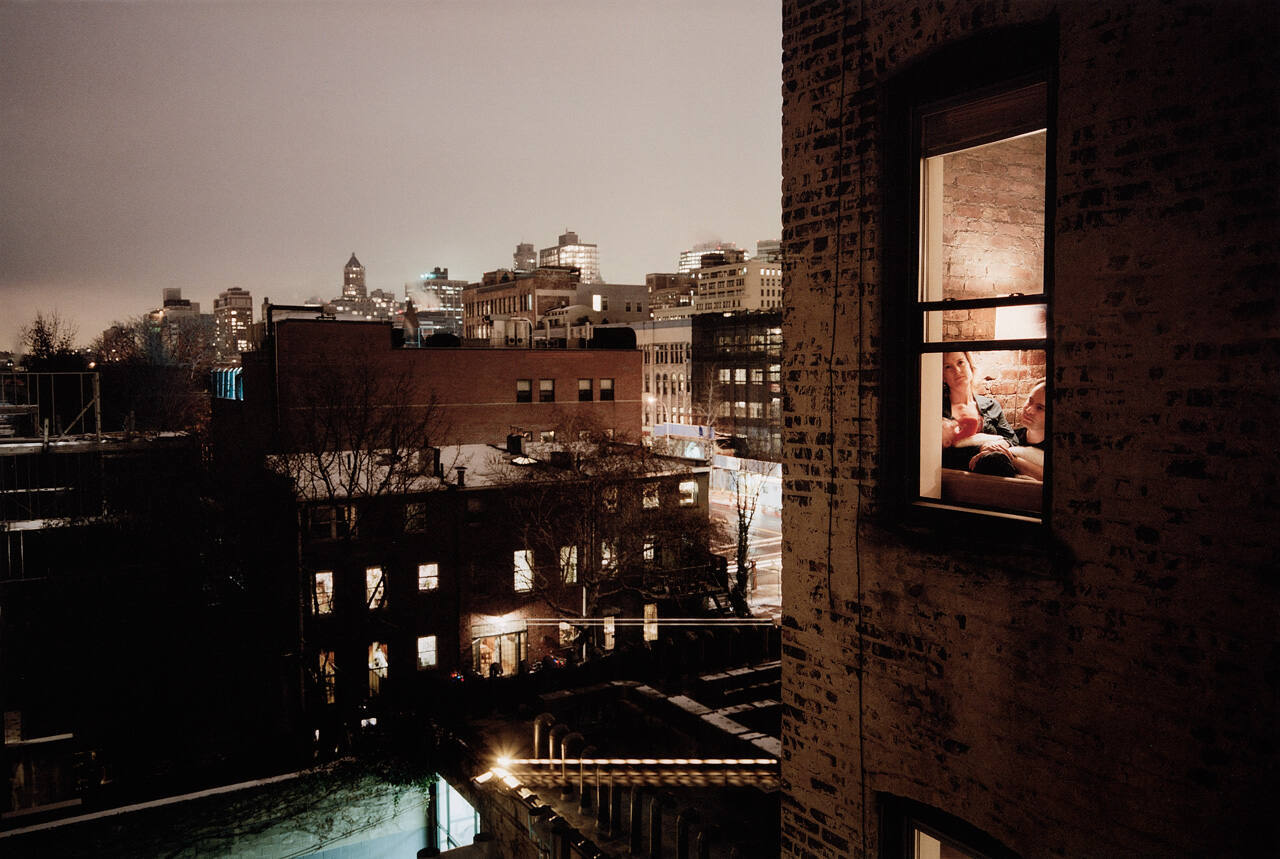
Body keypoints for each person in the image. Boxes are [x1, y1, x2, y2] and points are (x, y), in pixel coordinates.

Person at [940, 351, 1017, 470]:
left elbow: (1013, 439)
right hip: (956, 475)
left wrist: (995, 446)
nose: (957, 370)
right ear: (943, 377)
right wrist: (981, 448)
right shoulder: (936, 409)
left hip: (996, 471)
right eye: (948, 367)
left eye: (960, 362)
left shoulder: (991, 405)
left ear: (970, 366)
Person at [969, 379, 1047, 480]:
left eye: (1040, 408)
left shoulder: (1060, 448)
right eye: (1030, 401)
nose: (1029, 410)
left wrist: (1011, 459)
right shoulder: (1011, 438)